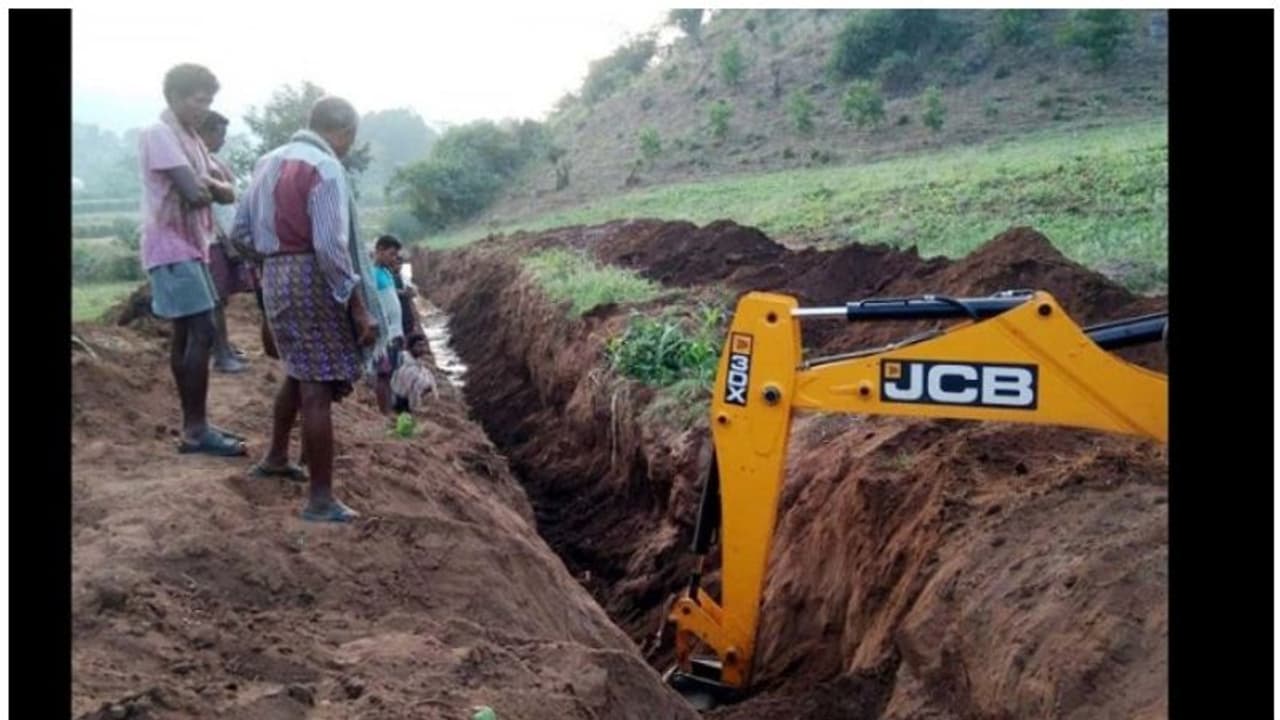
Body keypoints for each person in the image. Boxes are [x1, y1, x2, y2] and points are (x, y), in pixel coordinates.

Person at [231, 95, 391, 523]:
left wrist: (268, 274)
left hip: (276, 275)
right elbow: (328, 245)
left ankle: (277, 457)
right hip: (312, 276)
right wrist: (358, 305)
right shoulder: (326, 168)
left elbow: (240, 233)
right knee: (317, 388)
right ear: (345, 133)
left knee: (298, 370)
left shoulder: (266, 163)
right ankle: (321, 499)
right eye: (350, 139)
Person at [138, 63, 245, 457]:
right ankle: (196, 429)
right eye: (199, 101)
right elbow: (196, 194)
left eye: (209, 102)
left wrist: (208, 185)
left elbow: (227, 191)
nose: (204, 109)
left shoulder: (192, 140)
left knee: (189, 333)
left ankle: (194, 424)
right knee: (201, 331)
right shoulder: (159, 134)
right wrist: (209, 186)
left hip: (192, 245)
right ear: (176, 97)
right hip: (170, 246)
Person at [196, 110, 251, 373]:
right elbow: (214, 208)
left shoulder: (212, 161)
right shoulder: (198, 163)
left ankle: (224, 347)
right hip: (212, 240)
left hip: (223, 238)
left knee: (222, 298)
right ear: (205, 132)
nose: (223, 140)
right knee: (215, 299)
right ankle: (220, 353)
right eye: (220, 134)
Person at [371, 235, 406, 415]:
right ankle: (385, 413)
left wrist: (399, 332)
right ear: (379, 250)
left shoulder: (385, 273)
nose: (394, 259)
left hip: (394, 333)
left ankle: (389, 410)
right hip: (384, 336)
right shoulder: (372, 274)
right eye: (391, 254)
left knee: (390, 374)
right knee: (383, 375)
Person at [390, 333, 437, 414]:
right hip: (402, 403)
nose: (422, 349)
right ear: (410, 347)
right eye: (419, 346)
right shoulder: (406, 365)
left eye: (423, 346)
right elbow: (412, 390)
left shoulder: (416, 363)